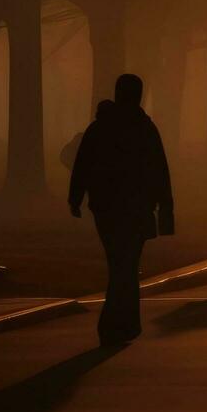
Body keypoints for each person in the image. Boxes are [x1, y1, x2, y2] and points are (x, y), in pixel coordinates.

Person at [69, 76, 174, 346]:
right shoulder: (145, 128)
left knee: (118, 261)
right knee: (128, 264)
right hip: (138, 206)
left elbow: (83, 164)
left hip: (106, 207)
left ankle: (116, 322)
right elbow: (160, 171)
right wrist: (165, 208)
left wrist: (76, 197)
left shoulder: (100, 128)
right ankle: (124, 321)